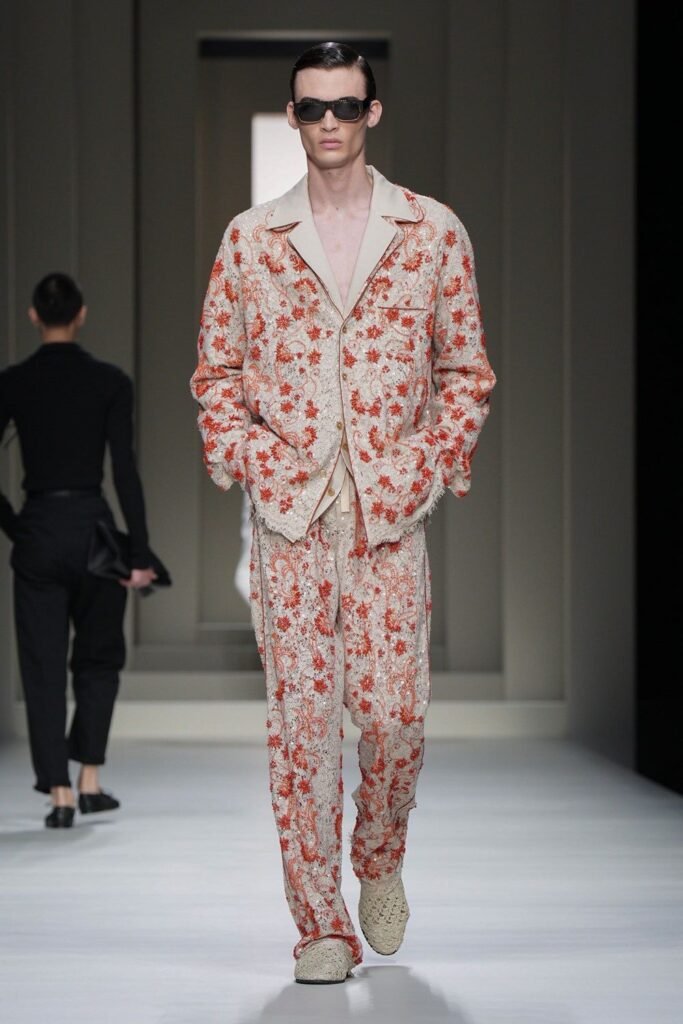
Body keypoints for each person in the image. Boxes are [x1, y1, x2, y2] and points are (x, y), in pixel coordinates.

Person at [190, 41, 496, 983]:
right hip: (291, 516)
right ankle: (320, 924)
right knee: (303, 730)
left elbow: (465, 372)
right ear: (293, 116)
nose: (329, 122)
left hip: (387, 513)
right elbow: (215, 377)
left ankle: (379, 853)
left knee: (395, 717)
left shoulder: (431, 231)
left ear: (372, 113)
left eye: (346, 106)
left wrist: (421, 466)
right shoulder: (251, 239)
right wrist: (260, 462)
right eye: (313, 107)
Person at [0, 273, 156, 829]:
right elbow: (124, 470)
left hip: (40, 530)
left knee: (42, 666)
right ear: (82, 314)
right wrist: (139, 553)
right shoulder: (109, 382)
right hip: (94, 533)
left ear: (33, 316)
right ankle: (89, 778)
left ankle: (60, 792)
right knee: (98, 658)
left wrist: (17, 528)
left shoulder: (13, 383)